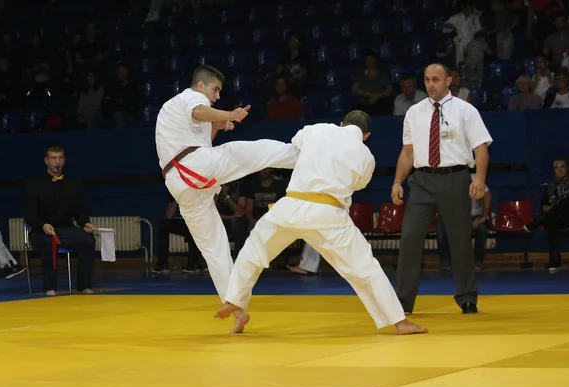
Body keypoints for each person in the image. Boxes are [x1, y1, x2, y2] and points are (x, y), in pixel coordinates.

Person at [214, 111, 428, 336]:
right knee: (365, 267)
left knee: (253, 250)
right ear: (366, 135)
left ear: (342, 124)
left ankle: (235, 300)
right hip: (328, 214)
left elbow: (295, 145)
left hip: (290, 207)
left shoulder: (318, 129)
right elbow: (359, 185)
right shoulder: (365, 156)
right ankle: (399, 322)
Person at [155, 65, 299, 333]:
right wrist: (229, 114)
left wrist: (217, 126)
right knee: (257, 152)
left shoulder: (181, 114)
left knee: (215, 249)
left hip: (182, 182)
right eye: (215, 89)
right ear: (201, 85)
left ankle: (237, 309)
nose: (217, 95)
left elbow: (201, 138)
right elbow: (200, 112)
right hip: (193, 168)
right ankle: (308, 156)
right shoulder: (189, 97)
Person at [391, 63, 492, 315]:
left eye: (435, 79)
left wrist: (479, 179)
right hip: (422, 180)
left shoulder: (466, 110)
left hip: (455, 177)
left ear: (448, 81)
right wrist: (397, 182)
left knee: (460, 240)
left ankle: (467, 297)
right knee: (410, 238)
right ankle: (403, 302)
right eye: (426, 79)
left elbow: (481, 147)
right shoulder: (414, 112)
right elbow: (407, 152)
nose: (430, 84)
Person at [24, 145, 96, 296]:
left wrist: (85, 223)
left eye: (60, 158)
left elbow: (80, 212)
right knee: (50, 242)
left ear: (64, 160)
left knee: (88, 240)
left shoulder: (73, 183)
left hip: (66, 230)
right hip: (41, 232)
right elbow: (30, 215)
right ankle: (50, 288)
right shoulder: (35, 184)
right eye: (53, 158)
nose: (57, 161)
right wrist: (42, 225)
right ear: (46, 161)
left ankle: (84, 286)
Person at [523, 157, 569, 270]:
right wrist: (546, 208)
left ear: (568, 169)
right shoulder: (551, 186)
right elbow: (544, 204)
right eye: (556, 167)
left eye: (562, 167)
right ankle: (555, 260)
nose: (559, 170)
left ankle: (536, 223)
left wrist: (554, 207)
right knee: (551, 220)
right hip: (555, 218)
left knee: (563, 203)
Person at [436, 172, 492, 271]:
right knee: (441, 226)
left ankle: (478, 261)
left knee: (481, 227)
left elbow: (487, 195)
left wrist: (484, 216)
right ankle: (446, 261)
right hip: (456, 217)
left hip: (474, 216)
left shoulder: (474, 177)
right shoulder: (448, 180)